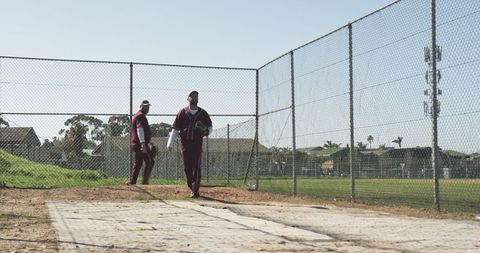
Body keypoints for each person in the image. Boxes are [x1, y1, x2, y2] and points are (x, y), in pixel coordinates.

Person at [167, 91, 212, 198]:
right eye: (192, 96)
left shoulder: (203, 113)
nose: (195, 97)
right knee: (187, 168)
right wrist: (170, 143)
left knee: (196, 167)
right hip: (185, 144)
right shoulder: (182, 112)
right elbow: (175, 129)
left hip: (197, 144)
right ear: (188, 98)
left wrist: (207, 131)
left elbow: (210, 127)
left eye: (197, 96)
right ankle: (191, 186)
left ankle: (195, 190)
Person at [129, 100, 155, 185]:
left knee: (138, 163)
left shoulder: (138, 115)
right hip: (140, 144)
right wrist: (143, 144)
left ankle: (133, 182)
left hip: (137, 143)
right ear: (140, 106)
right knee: (150, 161)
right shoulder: (140, 116)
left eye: (148, 106)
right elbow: (139, 129)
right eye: (145, 106)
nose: (147, 108)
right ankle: (145, 182)